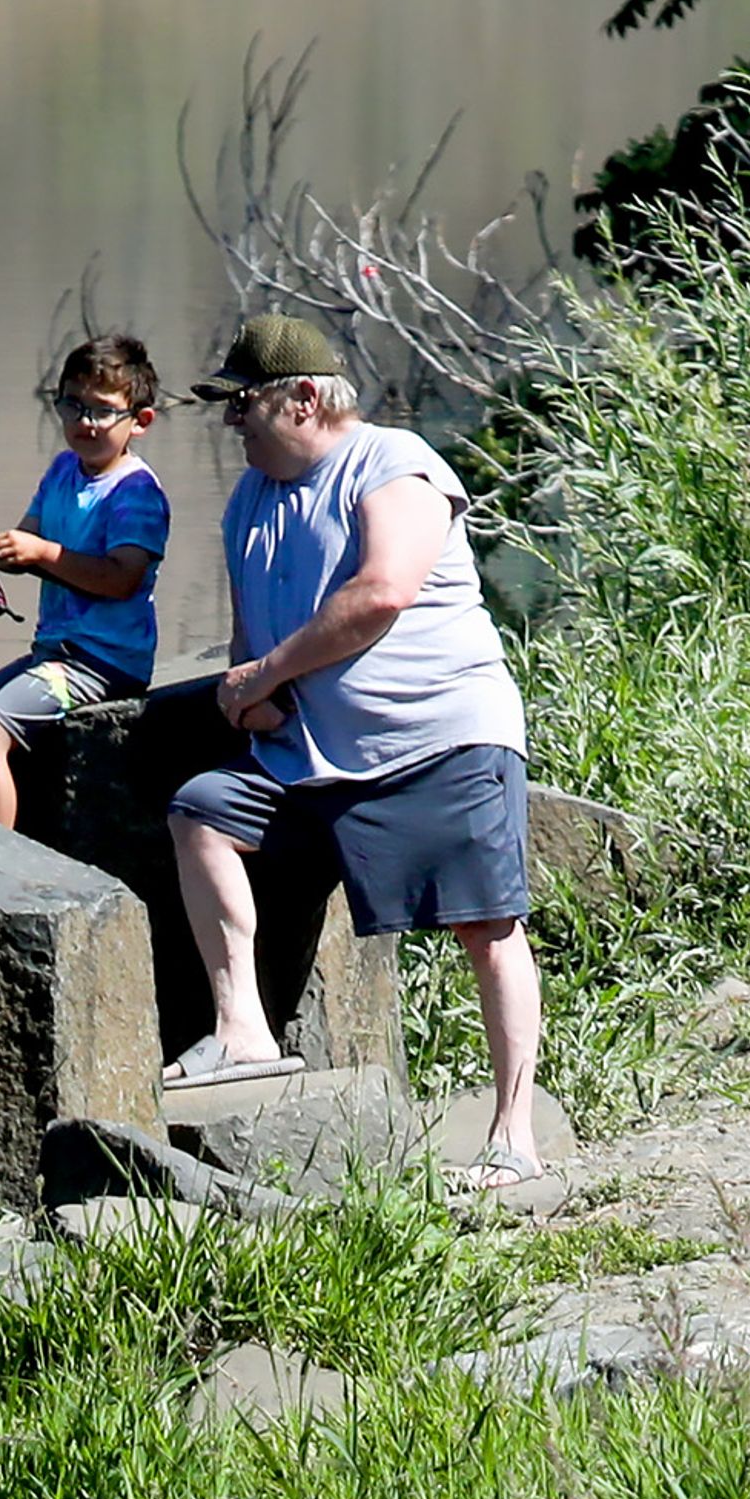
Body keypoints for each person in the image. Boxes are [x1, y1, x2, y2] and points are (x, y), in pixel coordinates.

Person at [160, 314, 546, 1192]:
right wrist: (250, 695)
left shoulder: (395, 464)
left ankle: (513, 1137)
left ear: (302, 400)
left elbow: (381, 594)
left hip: (440, 739)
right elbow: (247, 638)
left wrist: (264, 671)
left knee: (488, 930)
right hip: (312, 763)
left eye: (242, 403)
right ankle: (243, 1032)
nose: (231, 422)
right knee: (203, 815)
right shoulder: (248, 502)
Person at [0, 335, 172, 828]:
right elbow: (28, 550)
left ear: (139, 422)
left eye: (101, 411)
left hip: (103, 662)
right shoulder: (62, 471)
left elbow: (121, 579)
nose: (83, 422)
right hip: (55, 653)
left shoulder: (136, 493)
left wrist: (42, 552)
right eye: (72, 405)